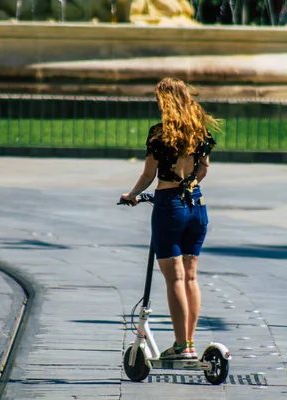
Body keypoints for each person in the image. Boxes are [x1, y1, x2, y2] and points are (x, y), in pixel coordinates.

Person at [120, 77, 219, 360]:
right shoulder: (199, 132)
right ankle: (189, 343)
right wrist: (188, 183)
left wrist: (132, 194)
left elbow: (149, 175)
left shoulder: (159, 134)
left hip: (169, 207)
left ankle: (180, 346)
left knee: (175, 278)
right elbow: (203, 170)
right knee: (190, 277)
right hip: (197, 207)